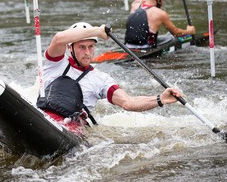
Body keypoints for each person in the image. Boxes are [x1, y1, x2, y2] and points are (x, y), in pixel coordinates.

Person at [36, 22, 183, 134]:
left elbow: (129, 103)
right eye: (82, 47)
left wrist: (160, 99)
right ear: (70, 48)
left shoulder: (101, 79)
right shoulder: (56, 63)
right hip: (44, 118)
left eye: (91, 47)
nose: (87, 52)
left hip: (72, 129)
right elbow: (58, 38)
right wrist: (98, 31)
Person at [125, 0, 196, 49]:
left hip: (128, 46)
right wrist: (189, 31)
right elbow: (176, 32)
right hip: (146, 47)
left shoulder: (135, 4)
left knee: (166, 35)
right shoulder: (160, 13)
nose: (162, 2)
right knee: (172, 37)